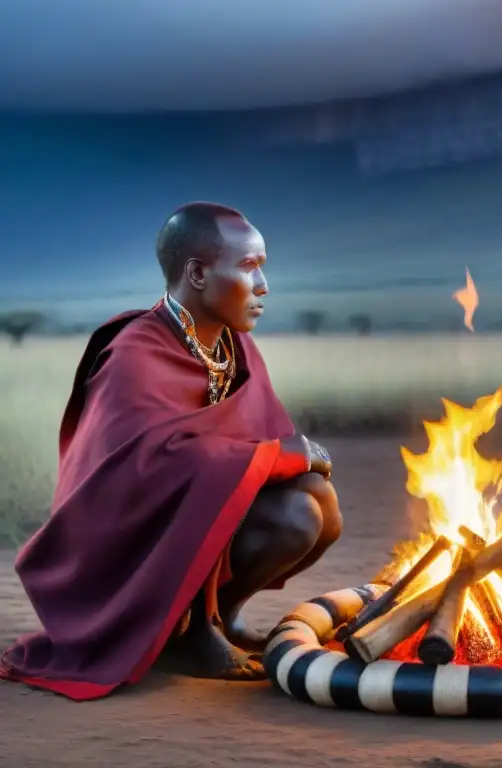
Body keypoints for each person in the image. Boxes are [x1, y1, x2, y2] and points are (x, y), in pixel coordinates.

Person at [0, 202, 343, 700]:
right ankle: (188, 632)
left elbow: (236, 447)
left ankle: (219, 618)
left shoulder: (232, 345)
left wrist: (280, 458)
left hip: (196, 509)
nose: (264, 285)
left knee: (319, 506)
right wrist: (279, 453)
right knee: (291, 511)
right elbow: (158, 467)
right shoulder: (134, 353)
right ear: (198, 274)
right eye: (249, 267)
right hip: (119, 547)